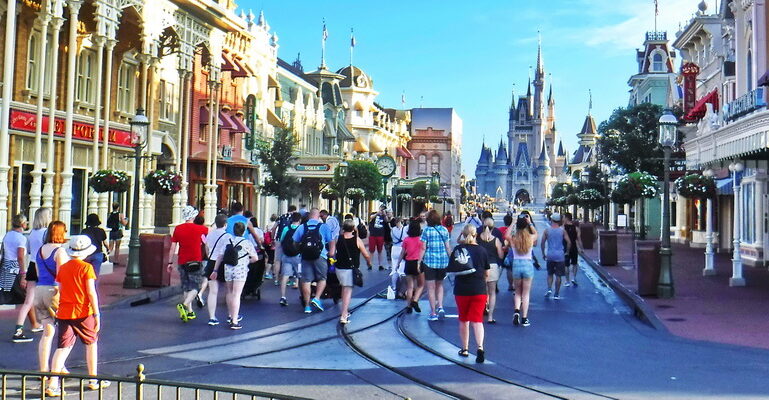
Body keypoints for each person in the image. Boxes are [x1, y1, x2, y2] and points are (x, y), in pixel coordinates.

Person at [46, 235, 108, 396]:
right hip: (83, 311)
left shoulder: (64, 268)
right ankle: (93, 380)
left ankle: (53, 383)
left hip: (65, 311)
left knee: (62, 348)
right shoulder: (86, 268)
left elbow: (60, 287)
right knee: (91, 343)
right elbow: (91, 292)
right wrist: (97, 313)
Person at [450, 224, 490, 363]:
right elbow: (486, 273)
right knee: (477, 321)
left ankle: (465, 348)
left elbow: (452, 269)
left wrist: (461, 236)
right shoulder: (482, 250)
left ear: (463, 233)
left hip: (462, 289)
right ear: (476, 235)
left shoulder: (458, 249)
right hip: (479, 289)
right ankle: (480, 348)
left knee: (463, 319)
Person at [35, 221, 69, 372]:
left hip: (39, 290)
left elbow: (37, 272)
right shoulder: (60, 252)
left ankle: (44, 369)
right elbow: (61, 276)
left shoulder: (40, 250)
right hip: (53, 291)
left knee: (47, 332)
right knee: (65, 331)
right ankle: (59, 365)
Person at [212, 222, 258, 329]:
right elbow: (255, 258)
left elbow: (220, 256)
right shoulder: (247, 243)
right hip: (240, 270)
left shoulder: (228, 241)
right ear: (244, 231)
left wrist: (215, 270)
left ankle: (230, 314)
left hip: (228, 269)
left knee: (229, 292)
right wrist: (247, 261)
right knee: (237, 294)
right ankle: (234, 320)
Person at [168, 206, 208, 322]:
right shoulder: (201, 229)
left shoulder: (178, 229)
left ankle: (190, 312)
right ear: (193, 216)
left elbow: (173, 247)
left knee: (186, 286)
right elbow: (208, 240)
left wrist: (170, 262)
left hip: (182, 260)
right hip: (195, 260)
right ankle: (184, 305)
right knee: (196, 286)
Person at [292, 208, 336, 314]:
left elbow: (294, 242)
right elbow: (331, 241)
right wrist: (331, 252)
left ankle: (307, 306)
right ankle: (316, 298)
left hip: (305, 256)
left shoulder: (302, 227)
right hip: (320, 256)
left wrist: (300, 251)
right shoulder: (324, 227)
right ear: (319, 216)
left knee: (306, 281)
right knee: (322, 278)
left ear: (308, 216)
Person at [17, 209, 51, 341]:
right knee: (50, 294)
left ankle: (18, 328)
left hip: (32, 265)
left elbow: (29, 251)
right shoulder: (47, 233)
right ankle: (50, 322)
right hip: (43, 266)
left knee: (28, 300)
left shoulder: (31, 233)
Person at [3, 214, 35, 343]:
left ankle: (35, 324)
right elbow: (20, 256)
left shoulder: (8, 235)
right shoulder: (21, 238)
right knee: (26, 298)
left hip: (6, 267)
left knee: (23, 298)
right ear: (22, 224)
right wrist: (23, 273)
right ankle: (22, 329)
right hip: (15, 268)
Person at [335, 220, 372, 324]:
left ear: (343, 228)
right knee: (347, 291)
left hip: (339, 268)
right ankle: (344, 315)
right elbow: (366, 254)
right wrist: (369, 263)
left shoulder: (338, 238)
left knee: (344, 288)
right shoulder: (357, 240)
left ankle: (344, 310)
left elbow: (332, 252)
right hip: (350, 269)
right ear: (353, 228)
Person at [421, 210, 451, 321]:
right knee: (440, 285)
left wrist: (419, 261)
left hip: (429, 262)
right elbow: (448, 247)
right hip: (442, 262)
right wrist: (451, 259)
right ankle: (441, 307)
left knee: (430, 288)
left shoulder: (426, 231)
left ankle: (433, 313)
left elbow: (423, 248)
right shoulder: (444, 230)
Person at [508, 215, 538, 327]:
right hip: (527, 264)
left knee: (518, 292)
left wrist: (513, 223)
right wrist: (530, 223)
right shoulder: (530, 237)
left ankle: (516, 311)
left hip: (516, 264)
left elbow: (506, 235)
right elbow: (536, 234)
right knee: (525, 293)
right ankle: (524, 318)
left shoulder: (514, 238)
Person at [203, 214, 230, 326]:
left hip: (211, 262)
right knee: (229, 291)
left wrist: (209, 256)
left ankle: (212, 317)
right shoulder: (227, 236)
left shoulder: (210, 234)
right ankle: (231, 315)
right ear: (225, 224)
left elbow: (207, 247)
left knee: (213, 291)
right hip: (223, 263)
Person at [396, 219, 425, 313]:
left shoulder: (406, 240)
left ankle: (408, 307)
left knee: (410, 287)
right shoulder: (421, 240)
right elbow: (423, 251)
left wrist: (398, 263)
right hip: (418, 263)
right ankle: (415, 300)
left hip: (408, 263)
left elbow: (402, 253)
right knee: (421, 285)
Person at [478, 218, 504, 323]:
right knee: (492, 292)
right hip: (492, 266)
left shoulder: (478, 239)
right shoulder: (496, 240)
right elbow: (501, 256)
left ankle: (480, 311)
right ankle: (490, 316)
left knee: (482, 291)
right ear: (493, 228)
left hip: (480, 267)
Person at [541, 213, 571, 300]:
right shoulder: (562, 231)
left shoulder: (547, 231)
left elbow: (542, 243)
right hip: (560, 255)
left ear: (552, 220)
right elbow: (569, 242)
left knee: (550, 274)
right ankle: (556, 294)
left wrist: (543, 253)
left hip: (550, 255)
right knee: (558, 275)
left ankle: (549, 288)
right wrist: (567, 252)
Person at [277, 212, 303, 307]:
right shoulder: (301, 228)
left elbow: (281, 240)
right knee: (300, 276)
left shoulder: (286, 228)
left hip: (286, 255)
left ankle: (283, 296)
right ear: (300, 220)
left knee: (285, 276)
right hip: (298, 256)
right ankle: (303, 295)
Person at [563, 212, 582, 287]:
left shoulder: (562, 228)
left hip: (565, 248)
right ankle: (574, 278)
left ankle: (567, 281)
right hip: (574, 248)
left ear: (567, 218)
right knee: (574, 263)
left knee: (566, 265)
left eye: (563, 217)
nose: (562, 219)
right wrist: (581, 248)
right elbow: (579, 239)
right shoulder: (576, 228)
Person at [389, 217, 406, 295]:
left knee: (394, 268)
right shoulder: (405, 229)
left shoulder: (392, 230)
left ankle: (394, 287)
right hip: (401, 249)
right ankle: (403, 289)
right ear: (401, 221)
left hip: (394, 248)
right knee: (402, 269)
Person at [499, 213, 515, 291]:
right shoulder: (513, 230)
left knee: (500, 268)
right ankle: (510, 285)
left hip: (501, 250)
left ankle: (495, 284)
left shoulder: (500, 229)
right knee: (509, 269)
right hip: (511, 251)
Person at [265, 214, 279, 285]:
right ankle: (267, 272)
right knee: (272, 258)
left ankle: (272, 272)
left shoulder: (268, 225)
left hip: (267, 242)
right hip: (273, 242)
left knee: (270, 257)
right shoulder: (276, 225)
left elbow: (265, 232)